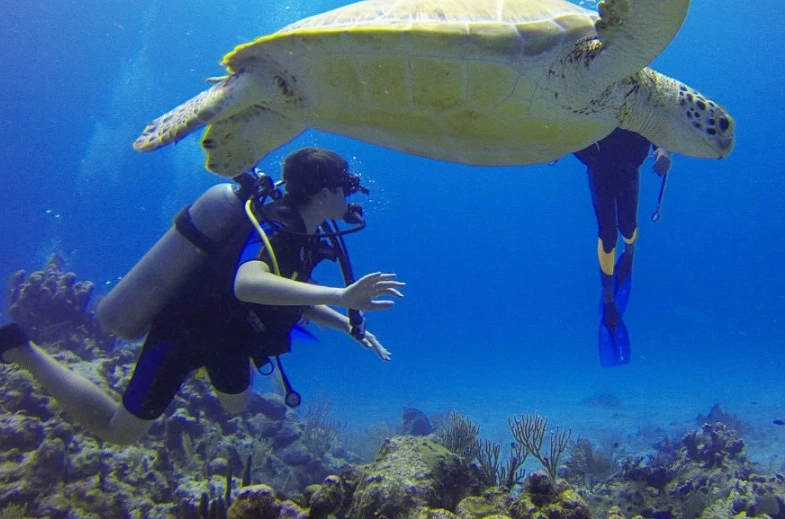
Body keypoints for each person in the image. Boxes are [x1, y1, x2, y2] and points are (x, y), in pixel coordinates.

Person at [0, 147, 405, 444]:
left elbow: (291, 293)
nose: (351, 195)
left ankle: (187, 382)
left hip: (229, 336)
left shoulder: (310, 231)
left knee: (235, 405)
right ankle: (21, 350)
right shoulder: (280, 228)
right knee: (120, 433)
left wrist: (345, 325)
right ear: (322, 194)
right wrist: (341, 295)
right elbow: (248, 283)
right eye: (345, 186)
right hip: (187, 332)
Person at [574, 129, 672, 367]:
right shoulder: (590, 93)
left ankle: (630, 251)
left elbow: (657, 116)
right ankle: (608, 298)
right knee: (607, 234)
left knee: (627, 227)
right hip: (599, 163)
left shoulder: (641, 92)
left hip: (627, 163)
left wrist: (664, 150)